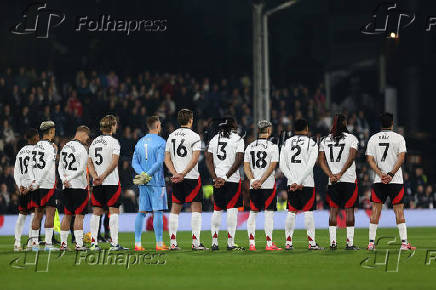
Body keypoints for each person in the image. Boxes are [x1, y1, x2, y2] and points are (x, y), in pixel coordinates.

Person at [366, 113, 415, 251]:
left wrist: (380, 174)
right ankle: (404, 244)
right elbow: (402, 158)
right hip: (396, 180)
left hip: (379, 180)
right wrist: (391, 174)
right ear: (392, 123)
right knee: (399, 211)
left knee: (375, 210)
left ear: (380, 124)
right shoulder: (399, 138)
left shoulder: (373, 138)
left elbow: (370, 160)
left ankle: (371, 243)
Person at [164, 109, 207, 250]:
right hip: (191, 177)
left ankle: (172, 243)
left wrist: (175, 173)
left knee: (175, 208)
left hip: (177, 177)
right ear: (191, 120)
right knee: (196, 207)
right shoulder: (195, 136)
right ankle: (195, 243)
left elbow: (166, 159)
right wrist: (183, 173)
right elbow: (195, 159)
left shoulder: (171, 136)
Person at [279, 119, 323, 250]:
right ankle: (312, 243)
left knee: (291, 212)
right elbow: (310, 166)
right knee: (308, 212)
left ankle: (288, 243)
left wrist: (293, 181)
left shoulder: (286, 142)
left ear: (294, 129)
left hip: (291, 183)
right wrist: (300, 181)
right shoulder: (312, 143)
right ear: (307, 129)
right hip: (307, 183)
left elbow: (282, 165)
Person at [318, 114, 360, 250]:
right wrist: (340, 174)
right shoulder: (352, 138)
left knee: (333, 211)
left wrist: (331, 174)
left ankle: (333, 243)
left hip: (333, 181)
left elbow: (321, 161)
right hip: (348, 179)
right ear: (344, 123)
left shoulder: (325, 140)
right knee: (349, 211)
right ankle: (349, 243)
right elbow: (351, 158)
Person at [88, 115, 127, 251]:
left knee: (96, 212)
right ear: (111, 126)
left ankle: (93, 244)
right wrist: (103, 176)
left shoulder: (94, 142)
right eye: (115, 124)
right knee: (114, 211)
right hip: (110, 182)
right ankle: (114, 244)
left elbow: (89, 162)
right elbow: (114, 162)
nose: (116, 127)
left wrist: (95, 176)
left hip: (97, 183)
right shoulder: (114, 142)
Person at [206, 117, 244, 251]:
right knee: (232, 210)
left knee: (217, 210)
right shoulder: (238, 139)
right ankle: (230, 242)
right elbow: (239, 159)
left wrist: (215, 177)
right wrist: (226, 177)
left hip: (217, 180)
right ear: (232, 126)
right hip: (232, 180)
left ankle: (214, 242)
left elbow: (208, 160)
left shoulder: (214, 139)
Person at [244, 120, 281, 251]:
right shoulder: (273, 146)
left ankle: (252, 244)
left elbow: (246, 167)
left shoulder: (250, 146)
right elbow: (272, 167)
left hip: (254, 186)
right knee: (268, 214)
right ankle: (269, 244)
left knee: (252, 213)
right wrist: (262, 180)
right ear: (269, 131)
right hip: (268, 185)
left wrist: (253, 180)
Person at [132, 116, 168, 251]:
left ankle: (137, 244)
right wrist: (148, 175)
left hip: (142, 181)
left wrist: (142, 174)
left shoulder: (139, 142)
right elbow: (159, 163)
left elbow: (134, 162)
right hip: (156, 181)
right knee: (157, 212)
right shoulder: (161, 142)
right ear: (157, 125)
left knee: (141, 212)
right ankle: (159, 244)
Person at [58, 126, 91, 251]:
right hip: (78, 185)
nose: (87, 139)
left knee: (67, 215)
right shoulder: (82, 149)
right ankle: (79, 244)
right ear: (82, 134)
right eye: (87, 136)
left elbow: (60, 166)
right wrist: (70, 178)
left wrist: (64, 179)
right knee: (79, 215)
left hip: (66, 186)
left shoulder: (65, 146)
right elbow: (81, 168)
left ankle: (63, 244)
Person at [29, 121, 58, 251]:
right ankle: (48, 245)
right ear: (50, 132)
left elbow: (30, 166)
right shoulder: (50, 147)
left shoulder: (35, 146)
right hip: (47, 184)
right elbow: (47, 167)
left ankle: (34, 244)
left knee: (37, 214)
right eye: (54, 131)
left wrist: (33, 181)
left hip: (36, 185)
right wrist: (39, 181)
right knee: (50, 214)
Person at [13, 128, 39, 251]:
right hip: (32, 187)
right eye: (37, 136)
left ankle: (17, 243)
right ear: (34, 138)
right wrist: (29, 187)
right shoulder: (36, 151)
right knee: (34, 215)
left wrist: (19, 186)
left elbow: (16, 171)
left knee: (22, 215)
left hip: (22, 187)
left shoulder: (21, 151)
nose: (38, 138)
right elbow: (35, 170)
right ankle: (30, 243)